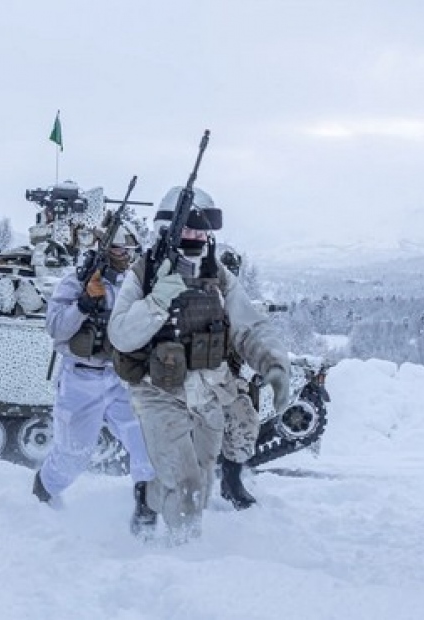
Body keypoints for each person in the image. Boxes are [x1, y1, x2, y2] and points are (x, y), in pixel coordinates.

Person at [108, 187, 290, 542]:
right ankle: (185, 562)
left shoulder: (216, 274)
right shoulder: (143, 274)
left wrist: (274, 365)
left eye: (202, 231)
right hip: (157, 389)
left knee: (202, 480)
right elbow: (120, 335)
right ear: (167, 230)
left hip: (210, 390)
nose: (196, 238)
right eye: (188, 231)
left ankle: (148, 496)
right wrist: (157, 300)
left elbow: (248, 325)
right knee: (188, 485)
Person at [32, 224, 158, 536]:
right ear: (104, 249)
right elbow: (57, 329)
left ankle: (146, 510)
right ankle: (40, 497)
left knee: (147, 443)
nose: (125, 255)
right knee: (72, 457)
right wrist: (83, 305)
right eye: (118, 248)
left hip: (120, 379)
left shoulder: (133, 285)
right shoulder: (75, 282)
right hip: (80, 381)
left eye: (129, 249)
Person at [217, 247, 262, 509]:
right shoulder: (186, 293)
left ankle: (231, 481)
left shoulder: (237, 306)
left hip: (224, 378)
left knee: (244, 418)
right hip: (182, 375)